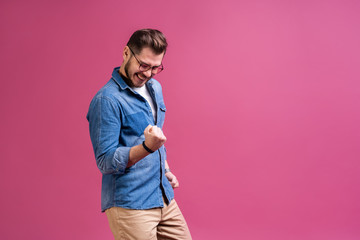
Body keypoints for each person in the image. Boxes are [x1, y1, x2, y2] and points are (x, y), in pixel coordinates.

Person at [86, 29, 192, 240]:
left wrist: (166, 169)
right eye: (143, 65)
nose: (148, 73)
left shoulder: (155, 88)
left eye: (155, 67)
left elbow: (155, 135)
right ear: (126, 53)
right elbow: (105, 161)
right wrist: (146, 148)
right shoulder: (106, 100)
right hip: (131, 204)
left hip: (162, 196)